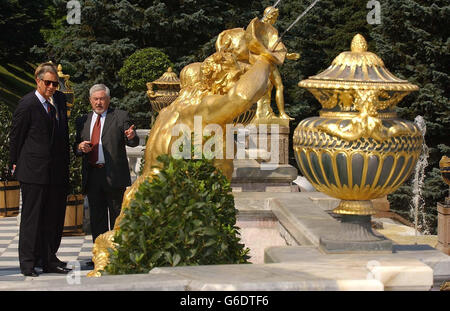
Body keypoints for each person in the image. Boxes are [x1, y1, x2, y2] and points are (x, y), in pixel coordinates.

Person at [9, 62, 71, 277]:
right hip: (33, 171)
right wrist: (13, 162)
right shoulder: (27, 104)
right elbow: (16, 136)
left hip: (55, 172)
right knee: (32, 219)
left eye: (55, 84)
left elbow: (63, 133)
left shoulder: (60, 101)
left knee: (52, 219)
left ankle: (48, 259)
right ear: (38, 81)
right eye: (48, 83)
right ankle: (27, 263)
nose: (52, 87)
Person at [75, 84, 138, 248]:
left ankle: (118, 252)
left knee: (117, 216)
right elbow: (76, 146)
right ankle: (100, 252)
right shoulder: (83, 120)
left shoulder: (120, 116)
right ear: (90, 100)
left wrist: (132, 136)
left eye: (102, 99)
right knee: (97, 217)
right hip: (93, 175)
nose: (99, 102)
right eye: (95, 99)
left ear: (108, 100)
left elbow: (132, 141)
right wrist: (80, 147)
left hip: (114, 175)